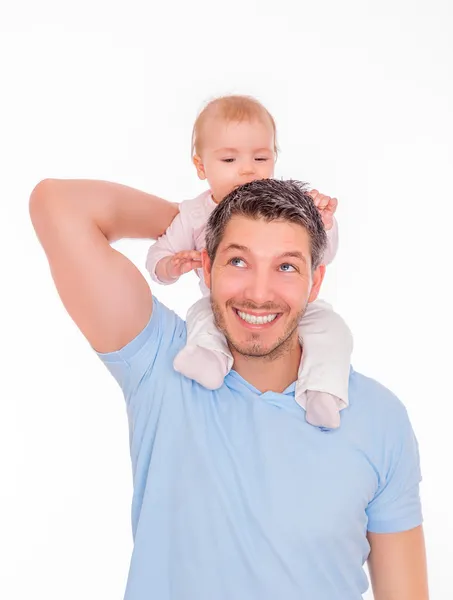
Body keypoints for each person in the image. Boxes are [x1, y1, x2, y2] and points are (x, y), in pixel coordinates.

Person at [30, 176, 428, 599]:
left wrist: (233, 228)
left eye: (287, 266)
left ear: (315, 282)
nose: (259, 293)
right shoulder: (162, 364)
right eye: (238, 261)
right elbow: (58, 205)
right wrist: (203, 218)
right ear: (207, 266)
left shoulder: (377, 417)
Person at [146, 95, 351, 429]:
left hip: (290, 307)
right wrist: (171, 265)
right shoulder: (195, 214)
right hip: (226, 308)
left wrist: (324, 224)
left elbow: (321, 255)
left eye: (260, 157)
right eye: (229, 159)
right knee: (201, 314)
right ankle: (210, 359)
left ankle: (322, 391)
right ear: (201, 166)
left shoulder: (287, 203)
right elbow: (158, 256)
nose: (247, 169)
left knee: (332, 328)